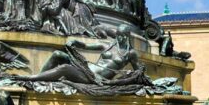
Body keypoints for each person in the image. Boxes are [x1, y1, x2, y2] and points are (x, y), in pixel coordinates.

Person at [16, 25, 147, 86]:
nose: (119, 38)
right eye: (118, 35)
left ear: (127, 36)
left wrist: (136, 77)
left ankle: (31, 79)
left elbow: (138, 73)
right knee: (57, 55)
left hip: (95, 78)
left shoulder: (130, 53)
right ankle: (41, 82)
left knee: (65, 69)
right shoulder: (107, 45)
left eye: (123, 36)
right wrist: (75, 42)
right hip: (87, 68)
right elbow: (85, 46)